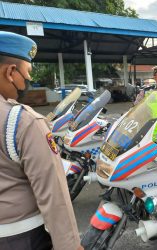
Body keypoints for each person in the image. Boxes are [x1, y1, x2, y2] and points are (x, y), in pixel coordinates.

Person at [0, 31, 82, 250]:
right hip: (20, 237)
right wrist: (71, 246)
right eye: (27, 72)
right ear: (10, 72)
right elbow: (54, 195)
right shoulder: (21, 120)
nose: (29, 80)